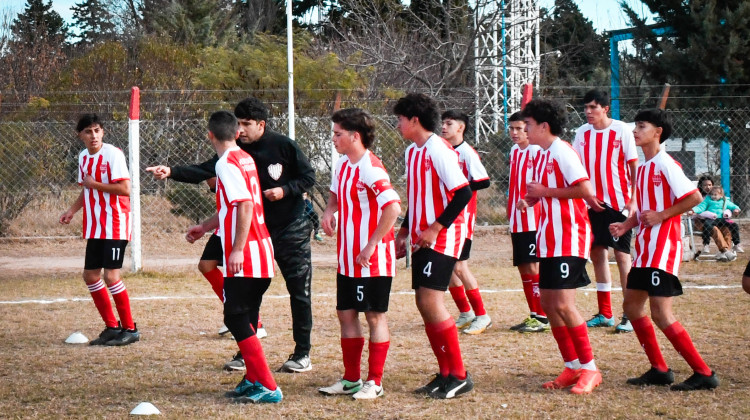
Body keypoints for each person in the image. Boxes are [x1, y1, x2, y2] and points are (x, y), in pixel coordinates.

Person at [146, 97, 316, 373]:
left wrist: (284, 191)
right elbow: (204, 170)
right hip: (249, 230)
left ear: (261, 125)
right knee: (246, 291)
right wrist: (172, 172)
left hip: (289, 227)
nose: (241, 129)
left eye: (247, 124)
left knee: (298, 291)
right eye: (238, 124)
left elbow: (308, 177)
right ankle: (247, 350)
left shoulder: (283, 145)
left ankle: (302, 353)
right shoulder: (234, 153)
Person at [610, 108, 719, 391]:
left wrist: (662, 215)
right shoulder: (644, 166)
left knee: (660, 313)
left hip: (663, 248)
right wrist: (626, 225)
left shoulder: (667, 164)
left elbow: (694, 197)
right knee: (632, 307)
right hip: (644, 249)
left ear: (658, 132)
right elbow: (646, 208)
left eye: (641, 126)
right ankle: (659, 369)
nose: (635, 131)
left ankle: (704, 372)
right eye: (635, 126)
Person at [190, 111, 281, 403]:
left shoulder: (226, 163)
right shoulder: (243, 158)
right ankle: (253, 379)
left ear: (210, 135)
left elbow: (244, 206)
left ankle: (267, 385)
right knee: (246, 317)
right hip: (261, 250)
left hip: (249, 255)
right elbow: (233, 206)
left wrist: (238, 249)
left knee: (236, 317)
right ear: (237, 133)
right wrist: (205, 227)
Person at [393, 93, 474, 399]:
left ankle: (459, 375)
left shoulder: (438, 149)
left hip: (443, 238)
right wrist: (404, 231)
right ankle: (445, 373)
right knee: (424, 303)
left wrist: (435, 228)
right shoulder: (413, 151)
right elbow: (417, 198)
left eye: (400, 118)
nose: (397, 124)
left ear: (415, 119)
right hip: (422, 238)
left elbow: (463, 193)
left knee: (431, 303)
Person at [518, 99, 602, 394]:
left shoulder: (563, 151)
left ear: (544, 126)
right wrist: (531, 199)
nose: (525, 130)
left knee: (564, 305)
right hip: (548, 239)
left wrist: (544, 192)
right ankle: (572, 365)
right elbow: (545, 192)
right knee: (549, 305)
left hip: (569, 237)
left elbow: (584, 190)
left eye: (528, 125)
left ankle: (590, 369)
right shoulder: (540, 154)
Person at [318, 108, 401, 400]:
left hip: (372, 259)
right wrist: (329, 211)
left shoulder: (371, 167)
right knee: (346, 313)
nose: (333, 138)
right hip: (348, 258)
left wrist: (371, 244)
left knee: (374, 317)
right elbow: (335, 195)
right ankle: (351, 379)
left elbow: (393, 207)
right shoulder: (343, 164)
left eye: (338, 134)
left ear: (355, 136)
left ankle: (374, 382)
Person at [59, 113, 140, 346]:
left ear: (103, 132)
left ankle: (130, 329)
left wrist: (94, 184)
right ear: (80, 135)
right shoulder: (83, 157)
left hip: (115, 223)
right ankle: (112, 327)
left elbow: (125, 189)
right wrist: (72, 210)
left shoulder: (113, 154)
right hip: (95, 226)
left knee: (111, 276)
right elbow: (86, 190)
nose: (93, 135)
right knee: (90, 275)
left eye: (97, 130)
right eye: (88, 131)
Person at [572, 89, 638, 333]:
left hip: (618, 204)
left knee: (622, 256)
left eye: (593, 107)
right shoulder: (581, 133)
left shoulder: (622, 130)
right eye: (586, 108)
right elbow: (575, 167)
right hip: (591, 203)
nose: (588, 112)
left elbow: (633, 166)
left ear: (605, 108)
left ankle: (630, 314)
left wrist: (633, 199)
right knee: (598, 253)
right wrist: (584, 198)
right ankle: (605, 313)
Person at [440, 110, 492, 335]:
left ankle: (482, 315)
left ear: (460, 128)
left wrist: (460, 190)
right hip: (447, 219)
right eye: (442, 123)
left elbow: (483, 181)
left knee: (460, 266)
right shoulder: (443, 151)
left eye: (449, 123)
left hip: (463, 220)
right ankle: (466, 312)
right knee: (449, 266)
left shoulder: (467, 153)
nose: (443, 127)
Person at [506, 111, 549, 333]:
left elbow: (543, 183)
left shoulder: (536, 151)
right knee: (523, 266)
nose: (514, 133)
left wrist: (530, 202)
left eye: (519, 128)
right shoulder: (515, 151)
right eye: (511, 128)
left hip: (533, 219)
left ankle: (542, 315)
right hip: (517, 219)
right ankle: (533, 314)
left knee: (533, 265)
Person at [688, 185, 742, 261]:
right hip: (710, 219)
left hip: (721, 219)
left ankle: (735, 245)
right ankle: (715, 247)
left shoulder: (725, 200)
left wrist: (736, 209)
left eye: (715, 195)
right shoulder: (707, 200)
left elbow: (732, 206)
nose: (713, 196)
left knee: (732, 226)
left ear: (721, 195)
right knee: (710, 227)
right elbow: (701, 207)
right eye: (712, 194)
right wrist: (693, 210)